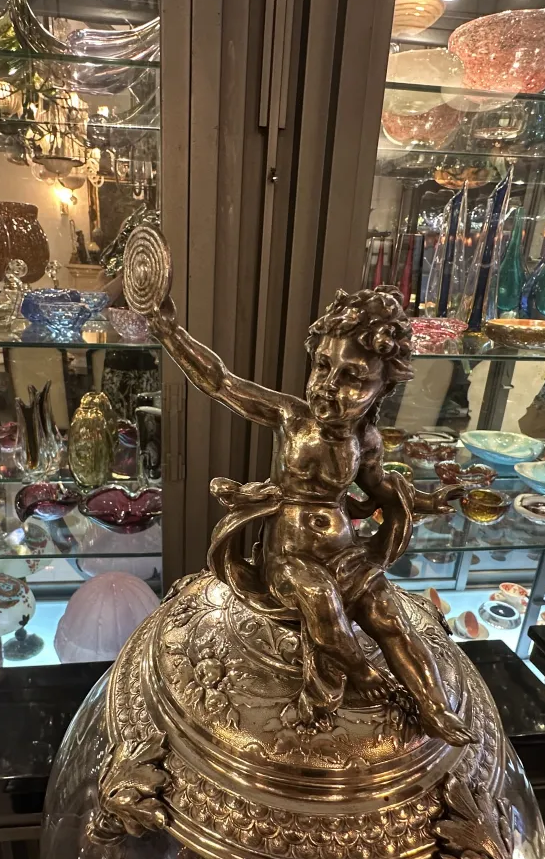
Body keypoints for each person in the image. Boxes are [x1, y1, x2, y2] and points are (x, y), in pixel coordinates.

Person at [150, 285, 472, 744]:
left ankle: (435, 707)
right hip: (289, 559)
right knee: (322, 602)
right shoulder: (292, 418)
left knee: (388, 617)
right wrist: (171, 334)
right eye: (323, 366)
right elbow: (221, 382)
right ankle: (360, 673)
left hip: (344, 554)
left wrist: (424, 502)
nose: (328, 386)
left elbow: (381, 490)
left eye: (352, 378)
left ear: (383, 388)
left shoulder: (367, 441)